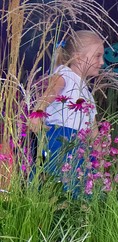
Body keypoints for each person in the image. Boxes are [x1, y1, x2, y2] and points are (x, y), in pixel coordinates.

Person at [28, 30, 106, 174]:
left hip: (80, 148)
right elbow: (51, 92)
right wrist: (38, 112)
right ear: (78, 58)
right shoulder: (65, 74)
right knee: (54, 181)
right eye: (97, 56)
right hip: (59, 141)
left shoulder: (87, 94)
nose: (102, 62)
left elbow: (93, 130)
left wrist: (100, 158)